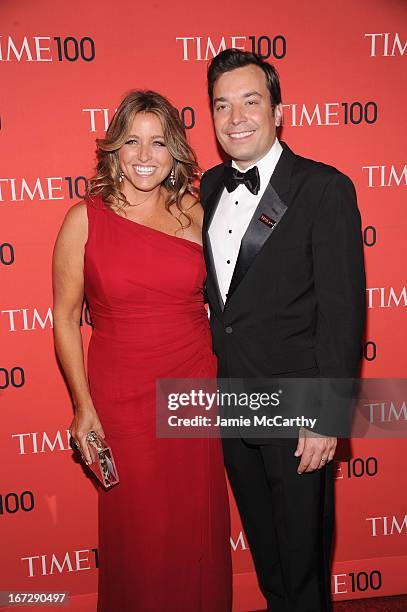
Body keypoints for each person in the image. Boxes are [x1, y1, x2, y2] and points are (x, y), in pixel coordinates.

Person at [52, 90, 232, 612]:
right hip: (123, 394)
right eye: (132, 140)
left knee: (193, 526)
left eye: (158, 141)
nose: (145, 155)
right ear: (114, 149)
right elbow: (65, 318)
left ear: (175, 150)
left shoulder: (197, 213)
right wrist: (83, 406)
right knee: (142, 532)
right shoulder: (83, 220)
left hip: (193, 387)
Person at [200, 49, 366, 612]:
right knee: (269, 562)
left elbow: (343, 312)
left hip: (299, 409)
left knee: (303, 571)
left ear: (278, 111)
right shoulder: (208, 188)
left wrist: (326, 416)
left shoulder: (323, 188)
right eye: (223, 105)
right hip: (234, 404)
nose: (236, 117)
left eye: (251, 101)